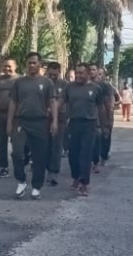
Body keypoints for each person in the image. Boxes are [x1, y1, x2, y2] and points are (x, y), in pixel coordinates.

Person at [7, 52, 57, 200]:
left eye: (34, 63)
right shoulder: (19, 82)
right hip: (21, 121)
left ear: (40, 64)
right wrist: (9, 122)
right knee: (17, 152)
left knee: (39, 156)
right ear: (26, 64)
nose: (32, 65)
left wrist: (54, 122)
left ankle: (36, 186)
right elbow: (13, 103)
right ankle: (21, 181)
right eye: (29, 63)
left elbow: (52, 102)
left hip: (40, 122)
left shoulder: (47, 83)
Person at [62, 63, 107, 196]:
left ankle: (84, 183)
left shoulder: (96, 88)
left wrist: (104, 126)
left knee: (85, 155)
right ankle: (76, 177)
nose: (78, 75)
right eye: (77, 73)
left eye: (81, 73)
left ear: (88, 73)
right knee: (73, 154)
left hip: (90, 125)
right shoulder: (69, 87)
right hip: (74, 123)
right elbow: (60, 102)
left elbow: (101, 108)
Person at [88, 63, 115, 171]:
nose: (95, 73)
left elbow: (109, 101)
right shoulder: (85, 85)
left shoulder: (105, 86)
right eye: (91, 70)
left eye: (99, 73)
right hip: (90, 116)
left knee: (103, 137)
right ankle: (93, 159)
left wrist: (109, 117)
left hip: (102, 115)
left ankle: (102, 156)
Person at [45, 61, 68, 186]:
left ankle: (53, 172)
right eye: (50, 74)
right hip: (43, 118)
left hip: (60, 117)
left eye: (55, 74)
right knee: (45, 144)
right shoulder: (43, 82)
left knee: (56, 144)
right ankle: (46, 168)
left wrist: (53, 109)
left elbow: (63, 100)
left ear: (59, 72)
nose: (53, 77)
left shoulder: (65, 85)